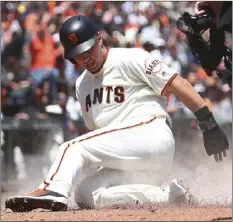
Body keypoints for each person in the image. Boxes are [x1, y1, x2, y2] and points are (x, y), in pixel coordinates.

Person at [5, 15, 229, 212]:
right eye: (78, 55)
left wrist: (208, 123)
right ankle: (170, 195)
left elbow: (177, 83)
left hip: (151, 136)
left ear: (99, 38)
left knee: (71, 147)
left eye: (88, 49)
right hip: (133, 163)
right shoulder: (82, 84)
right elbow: (98, 133)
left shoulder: (129, 57)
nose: (85, 59)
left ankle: (50, 189)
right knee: (85, 193)